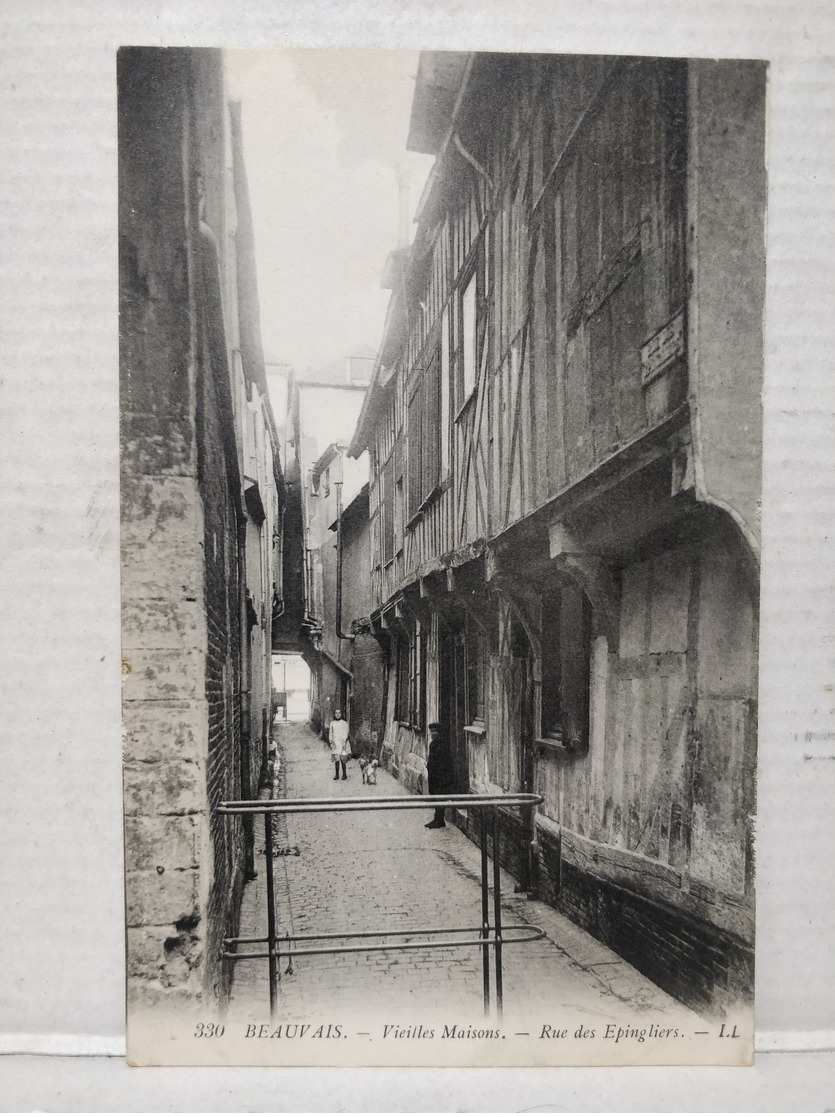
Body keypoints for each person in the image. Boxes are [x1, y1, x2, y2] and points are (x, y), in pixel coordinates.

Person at [425, 721, 453, 828]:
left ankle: (440, 820)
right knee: (435, 797)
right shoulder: (434, 744)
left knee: (440, 797)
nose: (432, 734)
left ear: (439, 733)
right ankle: (437, 818)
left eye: (435, 732)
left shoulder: (442, 744)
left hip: (440, 776)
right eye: (431, 732)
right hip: (434, 776)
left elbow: (442, 762)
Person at [329, 708, 351, 781]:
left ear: (341, 714)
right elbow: (331, 733)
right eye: (336, 713)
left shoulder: (344, 723)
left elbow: (346, 732)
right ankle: (337, 774)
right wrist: (331, 741)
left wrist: (344, 740)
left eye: (339, 713)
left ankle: (344, 774)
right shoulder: (332, 723)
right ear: (334, 714)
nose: (337, 714)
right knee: (336, 759)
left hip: (342, 743)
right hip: (335, 743)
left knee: (343, 759)